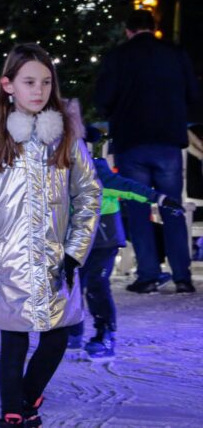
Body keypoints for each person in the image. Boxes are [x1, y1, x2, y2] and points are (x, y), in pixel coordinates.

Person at [0, 44, 101, 426]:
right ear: (8, 85)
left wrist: (76, 250)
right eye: (29, 81)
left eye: (46, 82)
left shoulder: (65, 137)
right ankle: (13, 413)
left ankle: (27, 397)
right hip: (8, 261)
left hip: (59, 261)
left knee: (58, 334)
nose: (39, 90)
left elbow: (90, 193)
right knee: (14, 339)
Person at [94, 9, 200, 294]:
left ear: (127, 30)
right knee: (173, 208)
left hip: (132, 141)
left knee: (138, 209)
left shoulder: (118, 57)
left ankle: (148, 274)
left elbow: (103, 98)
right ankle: (182, 276)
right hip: (167, 141)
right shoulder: (175, 54)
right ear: (154, 28)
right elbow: (194, 94)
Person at [65, 128, 185, 360]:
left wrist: (160, 199)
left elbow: (129, 188)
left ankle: (105, 332)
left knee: (97, 284)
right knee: (70, 286)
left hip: (103, 240)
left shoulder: (97, 172)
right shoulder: (55, 172)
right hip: (72, 242)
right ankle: (72, 332)